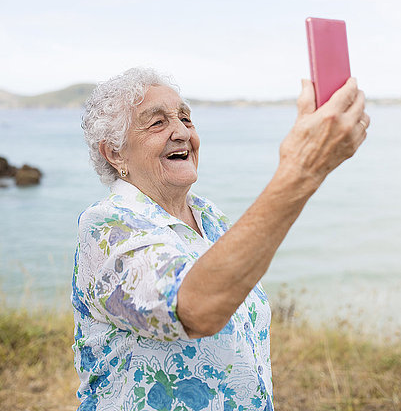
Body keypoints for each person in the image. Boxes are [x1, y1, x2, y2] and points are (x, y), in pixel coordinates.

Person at [72, 66, 370, 411]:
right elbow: (195, 309)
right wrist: (301, 171)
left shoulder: (208, 216)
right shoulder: (106, 226)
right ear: (115, 153)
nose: (182, 132)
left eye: (186, 118)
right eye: (157, 123)